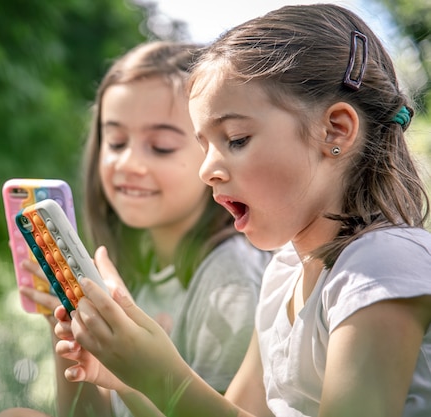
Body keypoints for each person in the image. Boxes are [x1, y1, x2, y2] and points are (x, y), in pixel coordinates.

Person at [54, 4, 431, 417]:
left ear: (335, 130)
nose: (207, 170)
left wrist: (160, 375)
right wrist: (129, 376)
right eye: (205, 146)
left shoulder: (382, 264)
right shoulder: (284, 272)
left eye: (236, 139)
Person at [0, 41, 271, 417]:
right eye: (116, 141)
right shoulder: (134, 270)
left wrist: (132, 377)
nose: (128, 163)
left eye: (160, 147)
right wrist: (66, 323)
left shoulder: (231, 279)